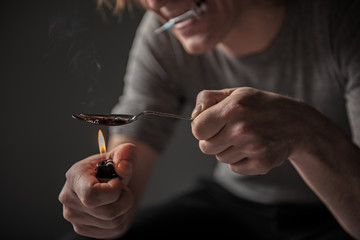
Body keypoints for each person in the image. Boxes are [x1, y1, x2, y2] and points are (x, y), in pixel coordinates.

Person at [58, 0, 360, 239]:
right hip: (233, 205)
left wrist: (307, 132)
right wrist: (103, 210)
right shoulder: (163, 33)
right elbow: (124, 186)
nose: (155, 2)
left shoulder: (342, 18)